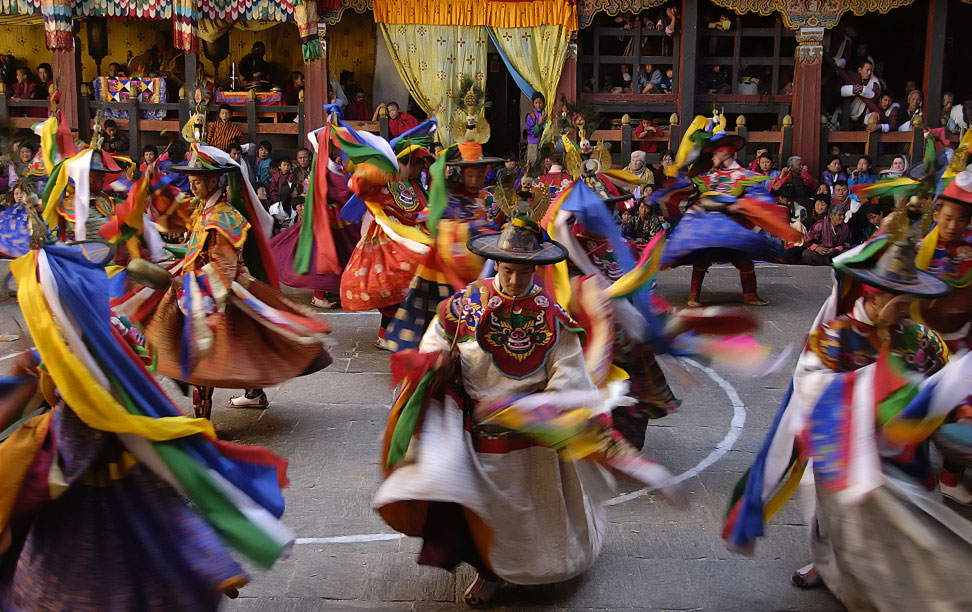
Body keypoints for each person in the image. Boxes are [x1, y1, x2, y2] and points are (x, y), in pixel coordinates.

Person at [373, 209, 679, 605]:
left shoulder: (554, 319)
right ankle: (490, 574)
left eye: (524, 272)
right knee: (486, 514)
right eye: (507, 270)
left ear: (536, 269)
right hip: (478, 438)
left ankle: (542, 570)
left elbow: (569, 378)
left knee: (536, 513)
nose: (515, 280)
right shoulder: (464, 306)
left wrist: (540, 410)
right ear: (496, 264)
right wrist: (438, 363)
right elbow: (435, 341)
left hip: (535, 441)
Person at [724, 225, 970, 611]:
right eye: (899, 302)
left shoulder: (918, 338)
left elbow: (946, 376)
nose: (906, 311)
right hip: (841, 451)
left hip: (904, 455)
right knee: (835, 522)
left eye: (909, 303)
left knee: (906, 526)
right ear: (874, 296)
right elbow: (810, 386)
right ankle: (828, 566)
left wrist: (960, 409)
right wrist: (869, 390)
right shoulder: (836, 337)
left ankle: (891, 581)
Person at [142, 143, 332, 416]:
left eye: (197, 182)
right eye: (191, 182)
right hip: (198, 285)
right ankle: (254, 393)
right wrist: (155, 184)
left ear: (211, 181)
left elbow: (223, 267)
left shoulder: (225, 217)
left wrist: (188, 287)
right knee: (245, 348)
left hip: (219, 292)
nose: (192, 187)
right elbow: (173, 214)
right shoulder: (201, 208)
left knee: (206, 361)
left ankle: (202, 422)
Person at [652, 114, 801, 306]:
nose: (712, 157)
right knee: (701, 257)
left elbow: (758, 196)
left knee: (742, 259)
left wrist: (740, 205)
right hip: (706, 225)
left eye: (715, 153)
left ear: (723, 153)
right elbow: (689, 187)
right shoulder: (706, 176)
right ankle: (694, 295)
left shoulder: (742, 175)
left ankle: (750, 294)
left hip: (733, 225)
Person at [383, 141, 505, 352]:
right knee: (444, 315)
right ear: (462, 173)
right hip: (448, 266)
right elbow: (428, 217)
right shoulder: (448, 197)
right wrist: (466, 230)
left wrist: (499, 227)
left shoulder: (482, 197)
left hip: (477, 261)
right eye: (470, 175)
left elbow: (485, 224)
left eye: (479, 175)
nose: (475, 180)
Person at [340, 139, 435, 343]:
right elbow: (359, 184)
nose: (421, 168)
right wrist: (383, 168)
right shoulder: (385, 180)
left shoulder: (416, 185)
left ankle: (407, 330)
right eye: (417, 163)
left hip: (415, 239)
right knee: (393, 283)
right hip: (389, 242)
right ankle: (387, 334)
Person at [914, 174, 972, 504]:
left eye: (961, 219)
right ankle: (915, 474)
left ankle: (951, 478)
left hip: (964, 342)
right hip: (925, 344)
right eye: (947, 217)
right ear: (936, 214)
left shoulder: (969, 252)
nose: (953, 225)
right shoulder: (920, 249)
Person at [839, 59, 880, 124]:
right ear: (860, 70)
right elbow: (838, 90)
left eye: (871, 70)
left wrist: (864, 90)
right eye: (867, 70)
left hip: (860, 117)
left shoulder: (874, 82)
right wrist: (852, 89)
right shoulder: (850, 76)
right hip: (844, 111)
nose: (869, 73)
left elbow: (876, 96)